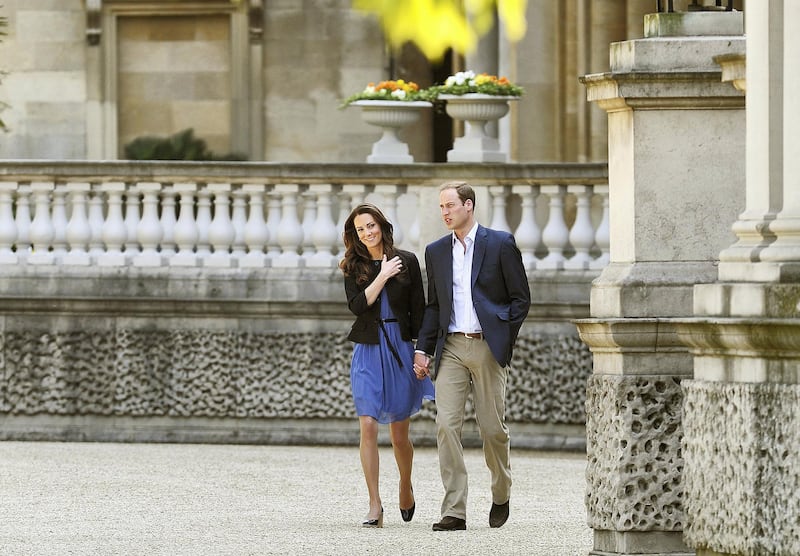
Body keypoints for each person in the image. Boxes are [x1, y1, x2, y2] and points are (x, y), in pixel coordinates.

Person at [413, 181, 531, 531]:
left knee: (492, 429)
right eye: (441, 207)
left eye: (450, 205)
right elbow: (434, 305)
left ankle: (501, 490)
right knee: (446, 425)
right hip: (450, 347)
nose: (445, 212)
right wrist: (423, 349)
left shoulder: (499, 244)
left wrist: (502, 335)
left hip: (487, 346)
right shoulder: (435, 251)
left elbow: (520, 299)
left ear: (469, 205)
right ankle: (454, 510)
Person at [340, 203, 435, 528]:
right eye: (361, 229)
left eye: (371, 225)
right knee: (367, 424)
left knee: (398, 434)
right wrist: (381, 275)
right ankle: (374, 505)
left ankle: (405, 483)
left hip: (398, 346)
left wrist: (422, 352)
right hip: (368, 349)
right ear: (355, 234)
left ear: (381, 226)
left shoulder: (406, 261)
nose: (368, 232)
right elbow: (357, 306)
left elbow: (420, 313)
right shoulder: (353, 266)